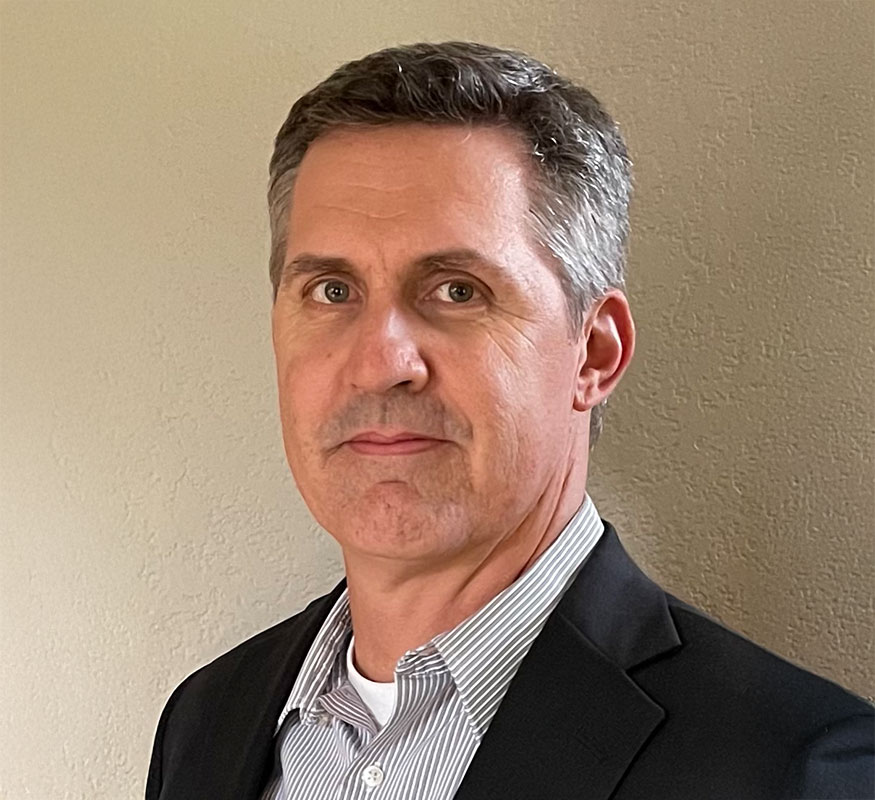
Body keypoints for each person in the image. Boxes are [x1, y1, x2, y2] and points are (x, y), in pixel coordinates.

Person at [146, 41, 874, 800]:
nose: (380, 361)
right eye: (331, 291)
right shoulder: (205, 722)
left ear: (593, 353)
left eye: (457, 290)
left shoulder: (794, 770)